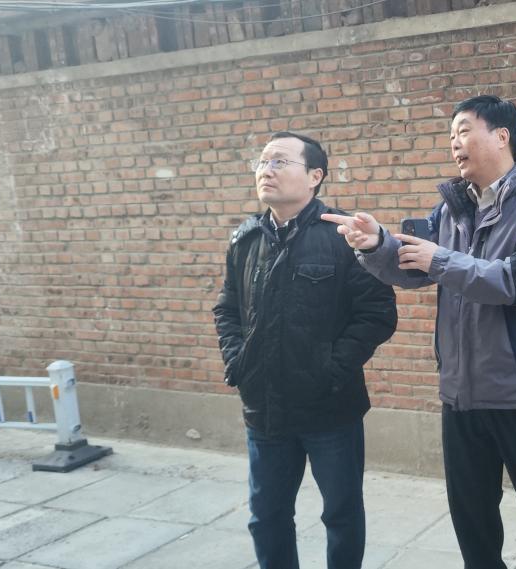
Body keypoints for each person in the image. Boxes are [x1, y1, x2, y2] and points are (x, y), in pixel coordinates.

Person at [321, 95, 516, 569]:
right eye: (451, 136)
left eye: (464, 130)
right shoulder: (452, 208)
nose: (454, 143)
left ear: (502, 136)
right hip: (462, 391)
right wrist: (377, 243)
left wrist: (440, 260)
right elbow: (415, 267)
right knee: (472, 517)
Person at [212, 131, 398, 569]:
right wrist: (239, 362)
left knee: (341, 515)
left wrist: (330, 369)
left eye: (279, 161)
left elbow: (377, 314)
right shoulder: (246, 239)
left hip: (330, 408)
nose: (266, 170)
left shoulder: (343, 236)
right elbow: (227, 309)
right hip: (265, 408)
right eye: (262, 162)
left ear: (315, 176)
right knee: (267, 517)